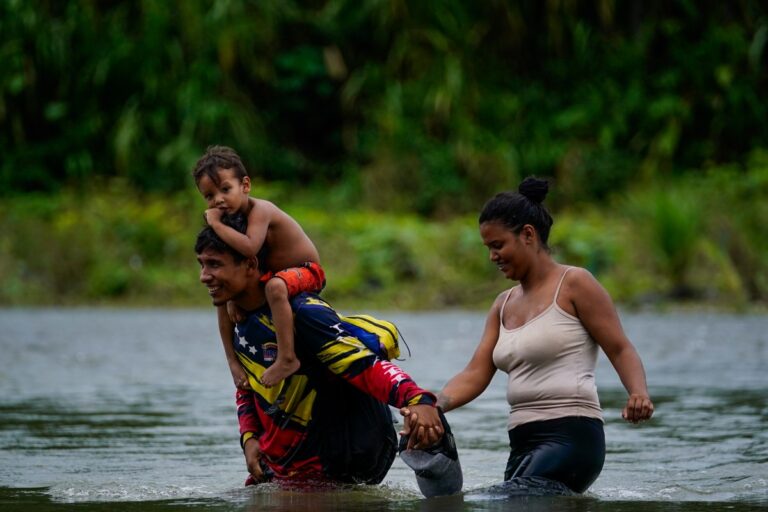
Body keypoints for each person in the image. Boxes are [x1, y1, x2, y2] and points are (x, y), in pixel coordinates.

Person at [430, 176, 654, 494]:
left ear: (528, 235)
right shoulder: (502, 304)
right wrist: (431, 405)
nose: (492, 256)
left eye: (497, 245)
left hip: (573, 437)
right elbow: (475, 373)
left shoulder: (575, 283)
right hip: (522, 444)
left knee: (500, 501)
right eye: (488, 248)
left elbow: (620, 348)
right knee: (509, 498)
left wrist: (638, 393)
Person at [195, 214, 447, 485]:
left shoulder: (304, 314)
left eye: (214, 265)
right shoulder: (238, 317)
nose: (203, 277)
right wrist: (249, 439)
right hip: (280, 469)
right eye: (201, 265)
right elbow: (247, 386)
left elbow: (364, 366)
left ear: (250, 263)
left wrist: (416, 399)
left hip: (330, 467)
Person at [193, 145, 325, 388]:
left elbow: (251, 247)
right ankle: (233, 361)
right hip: (272, 275)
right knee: (223, 295)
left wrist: (216, 223)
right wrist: (233, 298)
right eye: (210, 196)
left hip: (307, 271)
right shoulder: (233, 220)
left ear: (245, 185)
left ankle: (287, 358)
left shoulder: (260, 210)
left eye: (225, 189)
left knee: (275, 287)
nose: (218, 200)